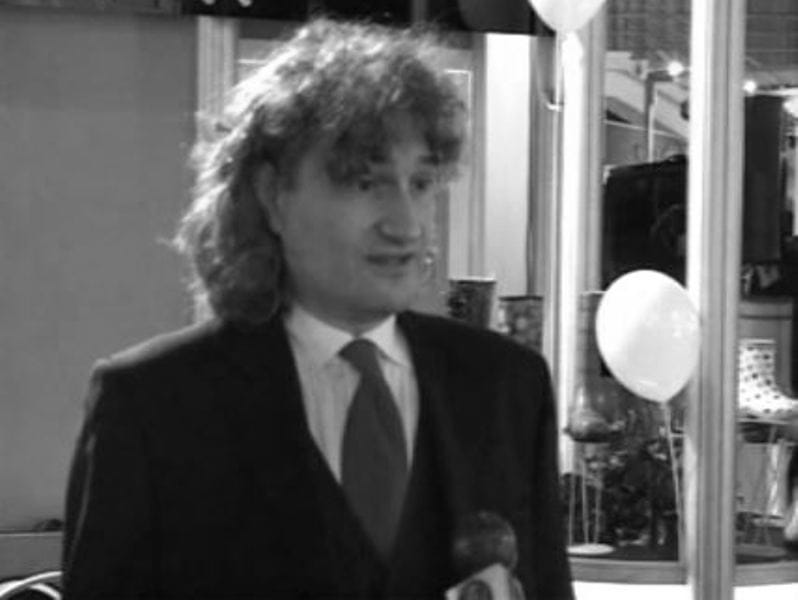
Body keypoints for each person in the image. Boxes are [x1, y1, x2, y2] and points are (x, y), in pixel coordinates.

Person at [62, 17, 574, 599]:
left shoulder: (506, 386)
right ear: (271, 195)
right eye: (365, 183)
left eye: (421, 183)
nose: (406, 224)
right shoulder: (152, 405)